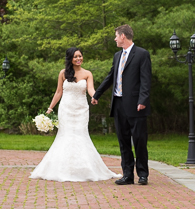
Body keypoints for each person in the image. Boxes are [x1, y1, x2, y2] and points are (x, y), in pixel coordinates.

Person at [29, 47, 121, 182]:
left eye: (80, 56)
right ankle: (61, 168)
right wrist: (50, 108)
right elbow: (58, 92)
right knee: (65, 135)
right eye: (75, 57)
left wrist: (95, 97)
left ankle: (84, 169)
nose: (79, 59)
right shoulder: (63, 73)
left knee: (81, 135)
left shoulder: (88, 73)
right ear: (70, 59)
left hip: (81, 110)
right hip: (66, 109)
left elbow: (90, 89)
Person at [91, 24, 152, 185]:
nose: (115, 39)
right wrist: (97, 94)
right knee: (123, 141)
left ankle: (143, 174)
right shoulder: (117, 56)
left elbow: (146, 80)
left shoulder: (142, 54)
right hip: (118, 104)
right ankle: (127, 175)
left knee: (139, 141)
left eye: (116, 36)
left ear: (123, 36)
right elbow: (110, 77)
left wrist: (143, 100)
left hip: (136, 105)